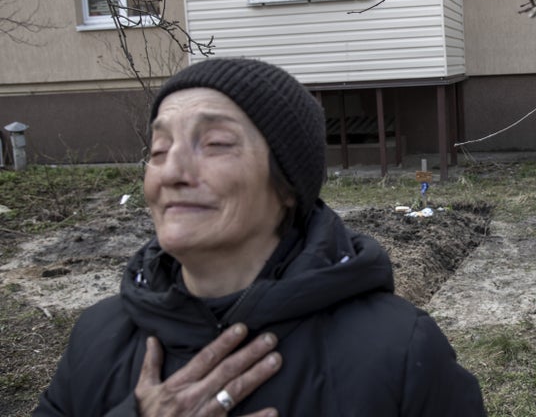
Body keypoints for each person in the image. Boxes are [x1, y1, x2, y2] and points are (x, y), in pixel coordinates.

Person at [34, 58, 488, 416]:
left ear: (288, 185)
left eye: (214, 144)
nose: (171, 170)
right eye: (159, 149)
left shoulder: (398, 354)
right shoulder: (95, 340)